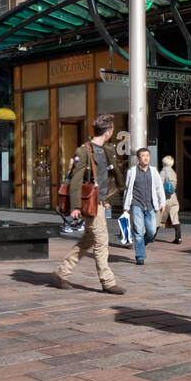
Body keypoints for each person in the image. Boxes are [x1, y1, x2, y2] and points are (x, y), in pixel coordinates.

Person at [52, 113, 126, 294]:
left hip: (99, 202)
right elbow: (76, 180)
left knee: (87, 241)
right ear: (108, 132)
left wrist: (107, 198)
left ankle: (62, 272)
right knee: (102, 241)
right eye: (112, 129)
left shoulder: (107, 150)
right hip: (88, 204)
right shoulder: (83, 151)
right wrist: (75, 207)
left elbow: (108, 176)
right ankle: (107, 282)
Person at [122, 148, 166, 265]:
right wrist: (126, 206)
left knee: (151, 232)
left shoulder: (153, 171)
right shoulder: (132, 171)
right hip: (137, 205)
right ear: (138, 158)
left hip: (150, 205)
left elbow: (159, 188)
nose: (146, 158)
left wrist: (162, 202)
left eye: (147, 155)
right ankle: (140, 256)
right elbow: (127, 190)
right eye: (143, 156)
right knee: (138, 231)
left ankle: (142, 242)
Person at [159, 154, 181, 244]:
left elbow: (159, 186)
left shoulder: (163, 172)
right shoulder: (173, 172)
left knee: (159, 218)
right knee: (175, 218)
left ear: (164, 163)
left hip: (165, 198)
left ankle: (151, 237)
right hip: (173, 198)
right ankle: (178, 238)